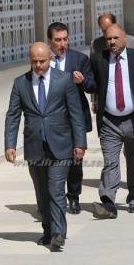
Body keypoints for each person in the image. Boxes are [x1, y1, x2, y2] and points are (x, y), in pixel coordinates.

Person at [4, 42, 86, 250]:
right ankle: (48, 230)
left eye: (42, 61)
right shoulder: (20, 83)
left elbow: (75, 113)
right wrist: (10, 144)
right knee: (42, 194)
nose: (39, 65)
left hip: (60, 145)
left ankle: (59, 233)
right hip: (35, 147)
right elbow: (13, 115)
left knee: (56, 190)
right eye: (34, 62)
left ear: (50, 59)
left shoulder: (64, 80)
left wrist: (80, 143)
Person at [90, 24, 134, 219]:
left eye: (116, 38)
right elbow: (93, 84)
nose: (112, 42)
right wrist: (82, 82)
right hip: (109, 120)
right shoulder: (98, 59)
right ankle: (108, 201)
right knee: (110, 162)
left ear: (124, 38)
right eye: (109, 39)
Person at [47, 22, 95, 214]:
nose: (63, 44)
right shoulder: (44, 60)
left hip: (75, 119)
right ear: (50, 41)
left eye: (65, 39)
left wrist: (82, 82)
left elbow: (93, 86)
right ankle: (52, 199)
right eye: (58, 40)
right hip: (52, 119)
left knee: (76, 159)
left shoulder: (79, 59)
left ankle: (74, 197)